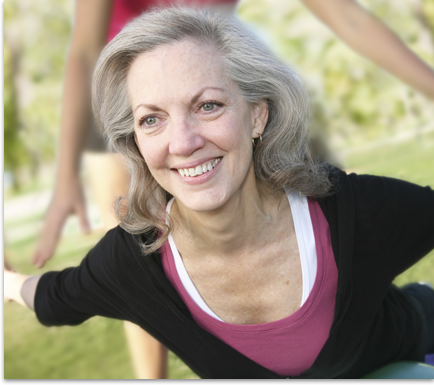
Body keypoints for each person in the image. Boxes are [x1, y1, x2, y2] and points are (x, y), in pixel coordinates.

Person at [10, 6, 432, 380]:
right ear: (135, 141)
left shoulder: (348, 213)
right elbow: (53, 296)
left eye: (207, 106)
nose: (183, 142)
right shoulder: (136, 262)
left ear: (257, 116)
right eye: (152, 119)